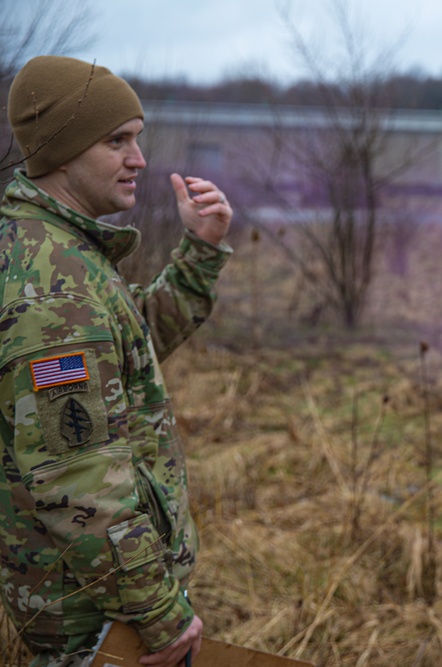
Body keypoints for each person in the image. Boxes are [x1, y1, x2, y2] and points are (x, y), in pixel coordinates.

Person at [0, 56, 232, 667]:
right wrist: (157, 614)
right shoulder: (56, 289)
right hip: (93, 618)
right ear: (63, 152)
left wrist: (200, 255)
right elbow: (78, 480)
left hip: (93, 595)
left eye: (138, 138)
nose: (139, 159)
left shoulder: (54, 252)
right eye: (117, 141)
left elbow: (128, 354)